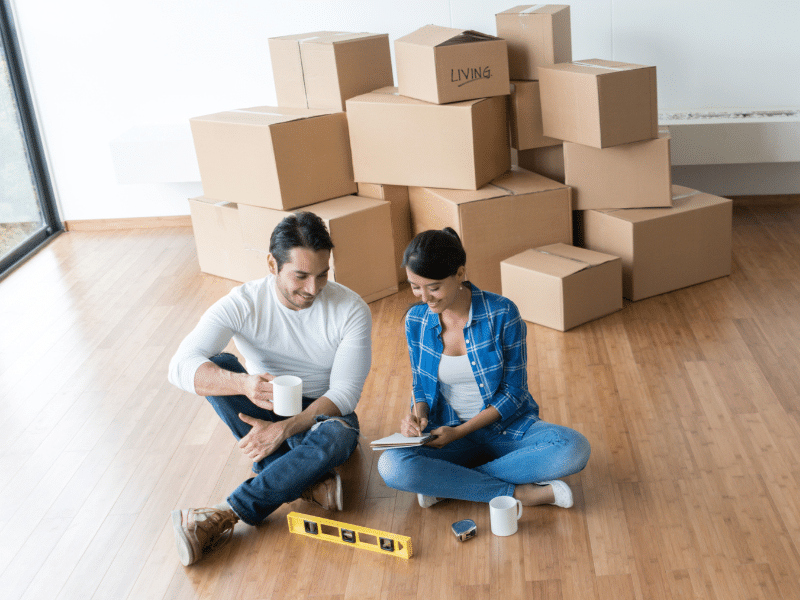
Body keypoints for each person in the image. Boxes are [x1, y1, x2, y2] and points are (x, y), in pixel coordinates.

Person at [168, 211, 372, 566]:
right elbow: (179, 366)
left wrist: (286, 429)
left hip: (322, 413)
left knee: (339, 437)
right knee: (219, 365)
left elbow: (344, 394)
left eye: (323, 275)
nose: (313, 289)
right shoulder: (244, 302)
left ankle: (224, 512)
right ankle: (306, 479)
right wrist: (242, 383)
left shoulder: (351, 309)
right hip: (263, 399)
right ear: (271, 264)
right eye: (301, 276)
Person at [378, 228, 590, 510]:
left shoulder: (502, 313)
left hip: (505, 430)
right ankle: (519, 493)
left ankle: (450, 484)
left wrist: (462, 431)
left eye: (434, 287)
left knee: (572, 448)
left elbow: (514, 393)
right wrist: (417, 418)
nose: (424, 298)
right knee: (392, 466)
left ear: (460, 273)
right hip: (445, 433)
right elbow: (420, 383)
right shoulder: (416, 320)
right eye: (416, 286)